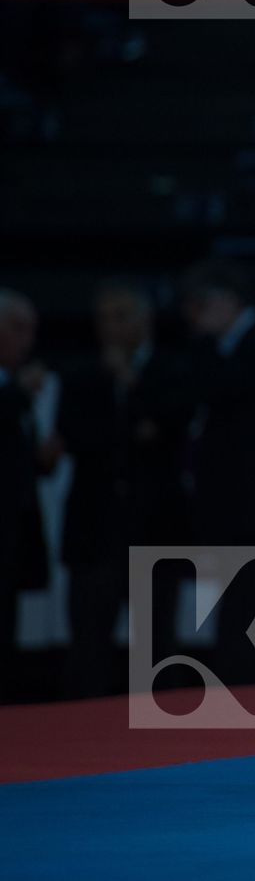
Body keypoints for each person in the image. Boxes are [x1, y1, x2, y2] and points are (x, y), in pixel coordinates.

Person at [54, 281, 192, 699]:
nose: (110, 328)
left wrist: (129, 384)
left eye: (121, 316)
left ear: (145, 318)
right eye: (103, 319)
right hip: (94, 532)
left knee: (158, 644)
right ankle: (76, 746)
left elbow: (169, 427)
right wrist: (135, 429)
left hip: (155, 529)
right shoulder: (80, 376)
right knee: (88, 647)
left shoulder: (174, 369)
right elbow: (76, 436)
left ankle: (170, 746)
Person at [180, 261, 255, 685]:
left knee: (253, 602)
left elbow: (223, 392)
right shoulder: (233, 348)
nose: (194, 317)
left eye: (201, 306)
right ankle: (242, 690)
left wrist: (204, 349)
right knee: (239, 603)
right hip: (234, 506)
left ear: (228, 301)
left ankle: (248, 690)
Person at [0, 290, 53, 700]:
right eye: (17, 328)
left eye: (32, 330)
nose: (27, 340)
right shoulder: (14, 393)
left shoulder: (17, 395)